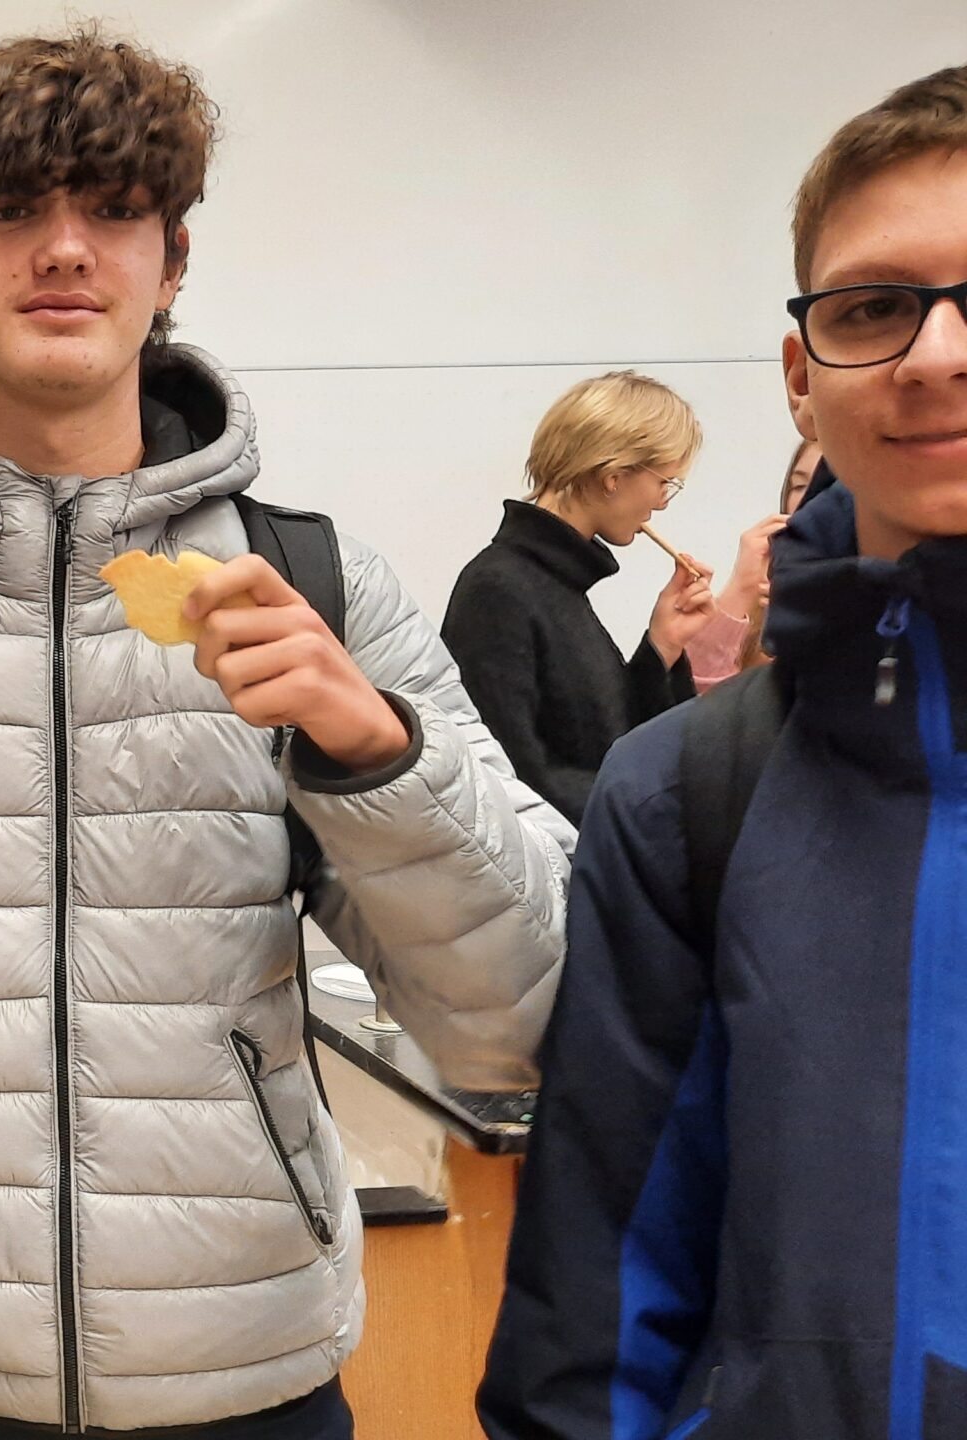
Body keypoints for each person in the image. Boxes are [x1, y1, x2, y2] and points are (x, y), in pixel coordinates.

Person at [0, 29, 574, 1440]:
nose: (63, 249)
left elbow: (522, 1026)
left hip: (247, 1372)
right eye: (8, 211)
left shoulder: (321, 591)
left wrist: (374, 754)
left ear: (172, 264)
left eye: (111, 210)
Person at [480, 65, 967, 1440]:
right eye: (874, 308)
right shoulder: (687, 794)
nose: (935, 354)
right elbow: (595, 1318)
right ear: (803, 383)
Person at [441, 372, 719, 825]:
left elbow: (612, 744)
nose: (663, 503)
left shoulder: (553, 586)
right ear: (613, 477)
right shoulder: (499, 589)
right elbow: (512, 777)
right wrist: (652, 820)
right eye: (665, 482)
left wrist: (662, 647)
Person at [685, 439, 821, 685]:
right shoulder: (765, 595)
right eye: (799, 486)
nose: (807, 500)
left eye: (827, 485)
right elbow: (692, 696)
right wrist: (741, 587)